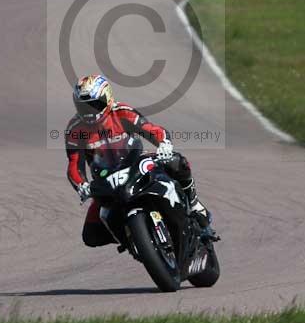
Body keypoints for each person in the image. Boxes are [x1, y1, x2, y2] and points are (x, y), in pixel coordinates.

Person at [64, 74, 216, 247]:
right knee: (90, 236)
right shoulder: (75, 129)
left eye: (94, 104)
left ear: (107, 98)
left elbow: (151, 130)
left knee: (177, 162)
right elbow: (74, 165)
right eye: (84, 107)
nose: (90, 111)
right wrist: (81, 185)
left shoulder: (121, 112)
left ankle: (194, 204)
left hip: (136, 162)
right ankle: (132, 238)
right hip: (106, 177)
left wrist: (163, 144)